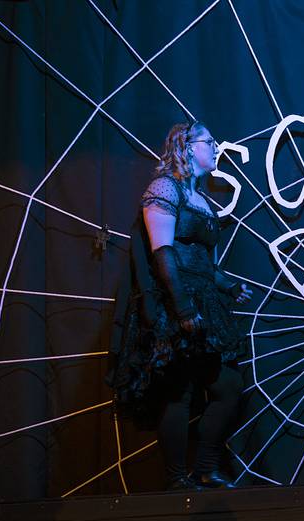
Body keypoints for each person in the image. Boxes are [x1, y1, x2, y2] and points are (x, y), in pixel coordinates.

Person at [106, 120, 252, 492]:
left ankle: (205, 468)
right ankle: (177, 478)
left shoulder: (202, 199)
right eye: (210, 141)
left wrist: (227, 286)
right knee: (179, 390)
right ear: (187, 147)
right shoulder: (164, 188)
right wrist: (183, 309)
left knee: (228, 386)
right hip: (175, 301)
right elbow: (163, 251)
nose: (217, 148)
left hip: (206, 300)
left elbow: (205, 260)